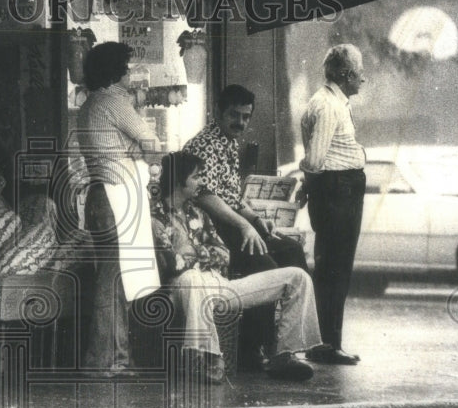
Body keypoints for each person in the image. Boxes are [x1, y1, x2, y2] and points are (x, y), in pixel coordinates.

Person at [151, 152, 322, 382]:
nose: (201, 181)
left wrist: (195, 254)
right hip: (182, 288)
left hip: (218, 284)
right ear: (179, 180)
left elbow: (224, 254)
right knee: (191, 278)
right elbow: (172, 264)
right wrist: (202, 256)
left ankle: (284, 354)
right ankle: (207, 357)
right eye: (196, 176)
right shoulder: (156, 218)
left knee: (297, 277)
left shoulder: (199, 213)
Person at [183, 84, 309, 362]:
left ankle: (284, 345)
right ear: (218, 111)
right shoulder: (204, 144)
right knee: (265, 267)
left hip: (232, 223)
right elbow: (205, 196)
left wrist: (257, 220)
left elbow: (232, 196)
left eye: (245, 116)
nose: (240, 122)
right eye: (234, 115)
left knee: (291, 251)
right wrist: (244, 226)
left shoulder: (228, 142)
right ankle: (252, 350)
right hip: (210, 230)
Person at [75, 42, 161, 371]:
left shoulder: (89, 104)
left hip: (99, 196)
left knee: (113, 278)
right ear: (115, 72)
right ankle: (104, 361)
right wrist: (148, 161)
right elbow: (152, 143)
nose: (129, 74)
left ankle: (118, 358)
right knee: (113, 281)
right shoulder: (114, 100)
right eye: (126, 68)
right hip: (117, 196)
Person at [297, 43, 367, 365]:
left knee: (332, 267)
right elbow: (314, 159)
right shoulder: (328, 106)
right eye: (358, 72)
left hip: (337, 189)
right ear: (343, 74)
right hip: (338, 190)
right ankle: (326, 344)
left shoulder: (332, 102)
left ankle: (326, 341)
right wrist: (310, 185)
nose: (362, 79)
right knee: (335, 269)